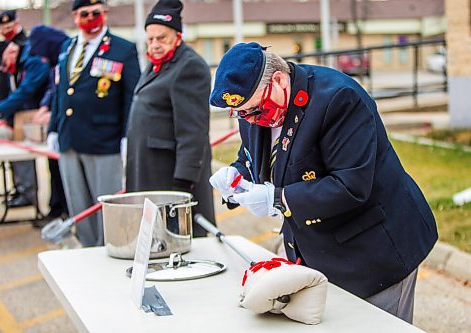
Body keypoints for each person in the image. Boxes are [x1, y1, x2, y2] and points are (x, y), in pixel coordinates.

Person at [209, 42, 438, 323]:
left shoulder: (339, 99)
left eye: (258, 111)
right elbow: (254, 156)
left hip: (375, 246)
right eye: (243, 114)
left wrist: (277, 199)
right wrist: (236, 177)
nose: (254, 121)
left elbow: (350, 185)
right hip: (317, 248)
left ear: (279, 80)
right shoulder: (255, 107)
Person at [49, 0, 141, 247]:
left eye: (95, 13)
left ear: (105, 13)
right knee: (79, 207)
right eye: (84, 14)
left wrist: (127, 135)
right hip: (69, 140)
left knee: (107, 208)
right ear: (75, 16)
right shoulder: (68, 47)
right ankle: (89, 250)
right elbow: (59, 91)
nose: (90, 18)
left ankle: (110, 250)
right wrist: (52, 129)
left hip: (104, 141)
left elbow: (132, 97)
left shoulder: (123, 49)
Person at [125, 0, 215, 237]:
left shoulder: (189, 67)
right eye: (150, 38)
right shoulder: (157, 64)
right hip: (150, 168)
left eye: (161, 38)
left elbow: (193, 131)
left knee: (177, 237)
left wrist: (183, 182)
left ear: (177, 36)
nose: (154, 44)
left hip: (170, 175)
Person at [0, 13, 51, 210]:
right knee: (17, 154)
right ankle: (23, 190)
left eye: (9, 27)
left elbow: (26, 89)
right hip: (16, 112)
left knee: (40, 161)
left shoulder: (27, 50)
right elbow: (4, 84)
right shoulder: (9, 51)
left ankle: (32, 195)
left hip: (34, 112)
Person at [27, 25, 70, 226]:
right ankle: (57, 208)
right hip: (57, 129)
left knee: (65, 175)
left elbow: (67, 92)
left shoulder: (67, 55)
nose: (41, 60)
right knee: (54, 170)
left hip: (70, 130)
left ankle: (65, 211)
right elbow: (53, 90)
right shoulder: (56, 61)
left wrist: (53, 112)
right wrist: (45, 106)